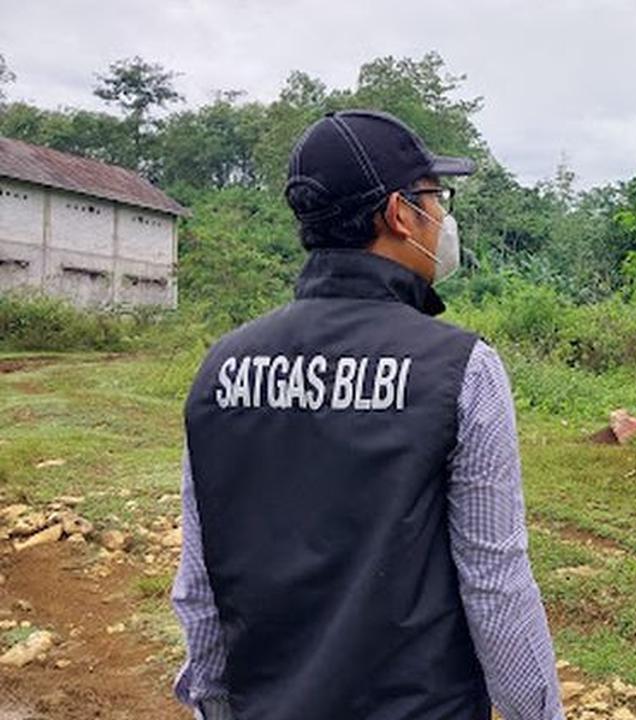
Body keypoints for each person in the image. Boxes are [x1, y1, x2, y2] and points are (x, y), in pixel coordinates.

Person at [172, 110, 563, 720]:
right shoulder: (461, 370)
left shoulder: (220, 368)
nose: (444, 220)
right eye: (437, 198)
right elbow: (495, 584)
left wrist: (217, 708)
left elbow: (199, 591)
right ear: (400, 214)